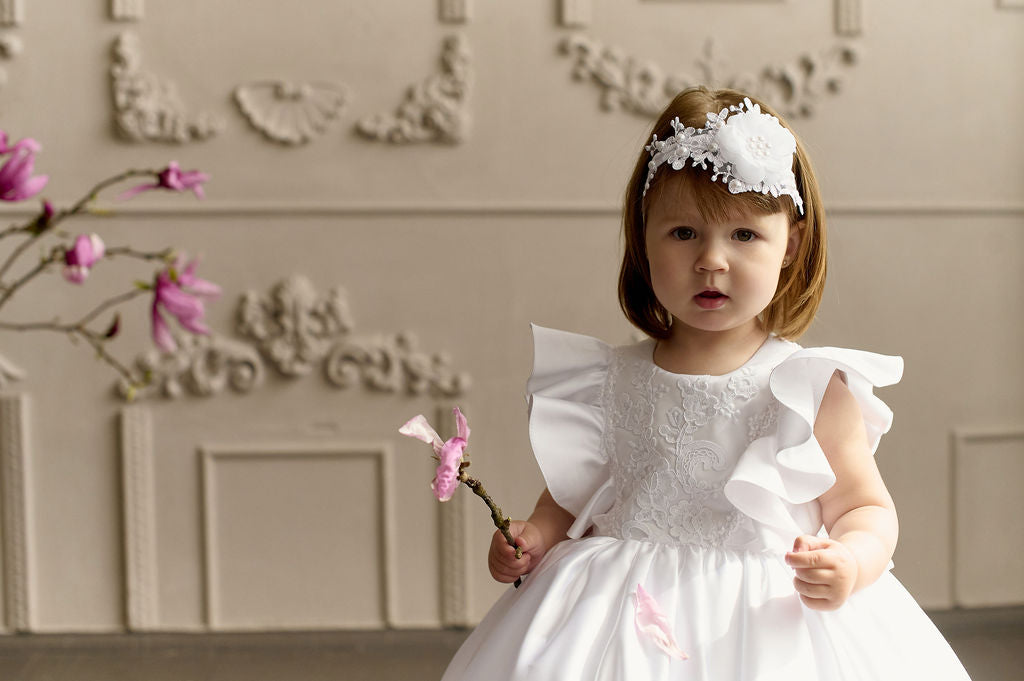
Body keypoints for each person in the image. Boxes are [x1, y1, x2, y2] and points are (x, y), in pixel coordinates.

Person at [440, 86, 972, 680]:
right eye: (683, 233)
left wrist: (850, 559)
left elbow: (864, 506)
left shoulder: (806, 387)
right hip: (619, 619)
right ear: (644, 238)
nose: (711, 260)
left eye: (743, 235)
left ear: (791, 244)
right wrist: (533, 537)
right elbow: (568, 500)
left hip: (762, 624)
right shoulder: (610, 380)